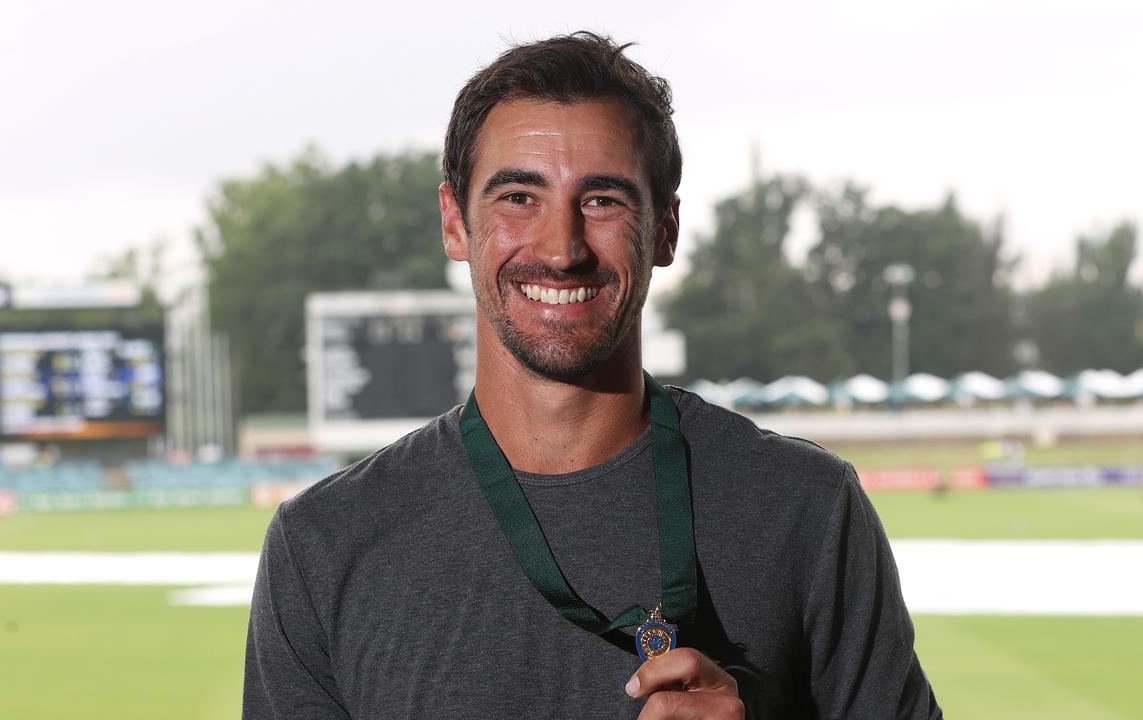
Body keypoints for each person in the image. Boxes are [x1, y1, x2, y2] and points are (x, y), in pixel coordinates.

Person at [244, 31, 941, 719]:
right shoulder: (324, 545)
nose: (561, 248)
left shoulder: (805, 508)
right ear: (454, 222)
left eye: (603, 200)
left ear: (665, 230)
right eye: (519, 196)